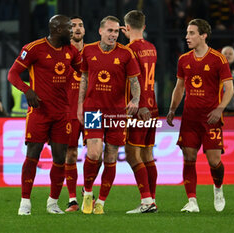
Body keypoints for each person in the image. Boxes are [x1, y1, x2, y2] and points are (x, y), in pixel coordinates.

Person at [7, 14, 82, 215]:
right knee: (33, 155)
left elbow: (84, 69)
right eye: (69, 28)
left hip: (62, 113)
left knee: (60, 158)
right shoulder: (33, 49)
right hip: (39, 112)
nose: (72, 31)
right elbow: (12, 74)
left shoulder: (71, 51)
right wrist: (27, 90)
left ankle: (52, 203)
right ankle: (25, 203)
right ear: (57, 29)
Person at [166, 18, 234, 213]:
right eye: (187, 33)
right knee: (188, 158)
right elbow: (179, 87)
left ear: (203, 35)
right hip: (189, 118)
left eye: (192, 33)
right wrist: (172, 109)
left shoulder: (218, 59)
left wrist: (220, 108)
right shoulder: (183, 59)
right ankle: (192, 201)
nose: (187, 37)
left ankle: (218, 188)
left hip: (211, 119)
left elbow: (229, 88)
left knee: (214, 161)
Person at [77, 15, 141, 214]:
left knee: (111, 157)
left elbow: (135, 81)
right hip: (93, 110)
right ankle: (88, 193)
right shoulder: (88, 50)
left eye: (116, 31)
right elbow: (84, 79)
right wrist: (80, 105)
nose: (113, 35)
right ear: (101, 31)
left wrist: (136, 99)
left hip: (117, 112)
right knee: (94, 154)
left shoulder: (126, 53)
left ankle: (101, 203)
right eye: (110, 31)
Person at [120, 10, 158, 214]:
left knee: (132, 155)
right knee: (147, 154)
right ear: (143, 27)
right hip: (153, 106)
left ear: (125, 28)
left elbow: (136, 81)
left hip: (138, 108)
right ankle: (151, 200)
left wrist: (139, 104)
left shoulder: (128, 50)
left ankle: (146, 201)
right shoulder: (151, 48)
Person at [64, 16, 86, 212]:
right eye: (73, 26)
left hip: (93, 112)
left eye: (80, 25)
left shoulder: (94, 52)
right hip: (68, 112)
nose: (77, 28)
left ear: (85, 30)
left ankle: (88, 193)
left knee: (96, 154)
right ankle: (72, 199)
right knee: (70, 154)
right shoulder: (61, 54)